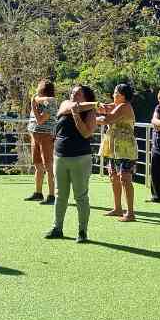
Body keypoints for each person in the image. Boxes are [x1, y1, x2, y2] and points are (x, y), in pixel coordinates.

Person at [45, 84, 97, 243]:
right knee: (60, 195)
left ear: (86, 97)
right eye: (73, 92)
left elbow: (86, 133)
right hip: (60, 156)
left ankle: (82, 231)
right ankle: (57, 228)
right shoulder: (65, 104)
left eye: (78, 93)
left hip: (80, 158)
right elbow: (69, 107)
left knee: (81, 196)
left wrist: (76, 115)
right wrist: (84, 107)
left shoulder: (90, 112)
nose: (73, 95)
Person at [98, 83, 138, 222]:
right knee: (113, 176)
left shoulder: (124, 107)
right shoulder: (116, 105)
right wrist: (96, 106)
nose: (113, 95)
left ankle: (130, 213)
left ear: (123, 95)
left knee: (125, 178)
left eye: (116, 92)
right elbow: (104, 107)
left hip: (125, 149)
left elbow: (107, 119)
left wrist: (90, 119)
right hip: (114, 148)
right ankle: (117, 208)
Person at [24, 80, 58, 204]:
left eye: (39, 86)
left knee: (48, 166)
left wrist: (33, 105)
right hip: (35, 136)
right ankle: (38, 193)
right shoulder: (40, 100)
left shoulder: (51, 102)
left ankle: (51, 195)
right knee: (38, 165)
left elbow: (40, 120)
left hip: (46, 136)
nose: (36, 88)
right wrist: (35, 101)